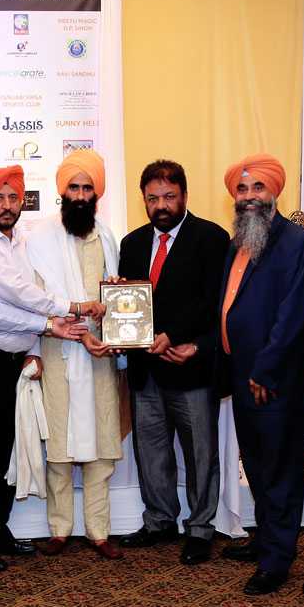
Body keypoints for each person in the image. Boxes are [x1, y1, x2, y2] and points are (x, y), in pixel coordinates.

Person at [0, 165, 91, 571]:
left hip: (12, 363)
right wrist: (63, 313)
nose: (8, 205)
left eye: (14, 197)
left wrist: (34, 345)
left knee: (5, 451)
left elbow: (27, 298)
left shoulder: (20, 242)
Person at [115, 160, 230, 565]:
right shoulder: (131, 243)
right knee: (151, 451)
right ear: (143, 200)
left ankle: (200, 528)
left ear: (184, 195)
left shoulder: (211, 238)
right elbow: (128, 304)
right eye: (152, 198)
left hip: (190, 366)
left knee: (200, 453)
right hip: (145, 368)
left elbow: (214, 302)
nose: (161, 205)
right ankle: (159, 520)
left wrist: (180, 337)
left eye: (169, 196)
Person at [216, 154, 304, 595]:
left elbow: (294, 314)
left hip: (274, 378)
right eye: (242, 189)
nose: (249, 196)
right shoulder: (238, 242)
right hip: (244, 373)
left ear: (275, 191)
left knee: (280, 468)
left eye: (257, 187)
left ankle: (278, 559)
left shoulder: (296, 243)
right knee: (257, 464)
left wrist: (266, 368)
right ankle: (265, 539)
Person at [25, 150, 124, 560]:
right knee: (59, 449)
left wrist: (117, 328)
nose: (80, 195)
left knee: (102, 446)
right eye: (74, 188)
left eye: (87, 188)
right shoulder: (39, 239)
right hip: (58, 351)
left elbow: (115, 297)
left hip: (100, 356)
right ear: (62, 191)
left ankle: (99, 531)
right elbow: (34, 300)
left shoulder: (107, 237)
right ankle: (59, 528)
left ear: (96, 193)